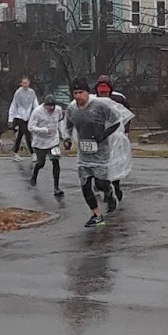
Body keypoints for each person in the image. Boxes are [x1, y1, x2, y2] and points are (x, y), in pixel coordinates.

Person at [63, 79, 134, 227]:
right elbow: (68, 126)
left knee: (100, 183)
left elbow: (116, 121)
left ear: (88, 92)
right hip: (83, 153)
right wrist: (67, 139)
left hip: (101, 152)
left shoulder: (100, 105)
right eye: (75, 93)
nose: (78, 96)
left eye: (81, 92)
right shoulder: (72, 109)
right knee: (85, 185)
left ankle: (109, 194)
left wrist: (104, 135)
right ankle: (97, 215)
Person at [93, 75, 133, 201]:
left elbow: (126, 115)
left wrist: (125, 131)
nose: (103, 93)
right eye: (101, 90)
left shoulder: (118, 98)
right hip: (99, 137)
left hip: (115, 136)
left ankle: (116, 185)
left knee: (115, 162)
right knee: (100, 163)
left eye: (106, 90)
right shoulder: (92, 100)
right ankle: (106, 189)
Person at [28, 95, 66, 198]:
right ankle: (34, 175)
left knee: (55, 161)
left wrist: (64, 135)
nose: (51, 108)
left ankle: (56, 187)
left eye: (53, 106)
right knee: (41, 163)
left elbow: (60, 122)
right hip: (40, 142)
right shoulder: (37, 112)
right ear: (44, 105)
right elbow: (30, 127)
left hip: (53, 141)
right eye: (49, 106)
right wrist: (44, 130)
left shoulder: (58, 110)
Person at [8, 76, 38, 155]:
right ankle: (33, 153)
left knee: (20, 136)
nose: (25, 85)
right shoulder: (18, 93)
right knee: (27, 134)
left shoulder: (32, 92)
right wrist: (10, 119)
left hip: (27, 117)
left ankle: (15, 153)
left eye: (26, 83)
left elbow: (35, 104)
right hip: (19, 117)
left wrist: (37, 115)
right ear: (21, 83)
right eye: (23, 83)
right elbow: (13, 105)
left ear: (29, 83)